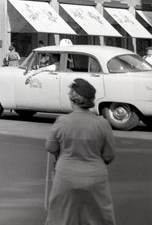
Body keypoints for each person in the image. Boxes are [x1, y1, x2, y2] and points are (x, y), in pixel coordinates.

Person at [45, 78, 116, 225]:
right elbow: (109, 155)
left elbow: (51, 147)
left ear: (72, 100)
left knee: (62, 216)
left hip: (65, 176)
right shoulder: (102, 124)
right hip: (95, 177)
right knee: (99, 218)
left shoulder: (62, 121)